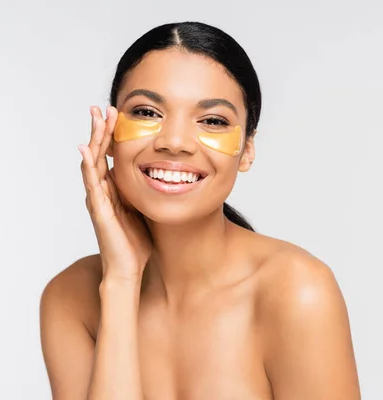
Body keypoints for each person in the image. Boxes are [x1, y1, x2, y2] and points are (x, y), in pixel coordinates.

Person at [39, 21, 360, 399]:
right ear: (108, 135)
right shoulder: (71, 298)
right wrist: (122, 283)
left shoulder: (297, 291)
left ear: (247, 150)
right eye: (146, 112)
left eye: (212, 121)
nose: (174, 142)